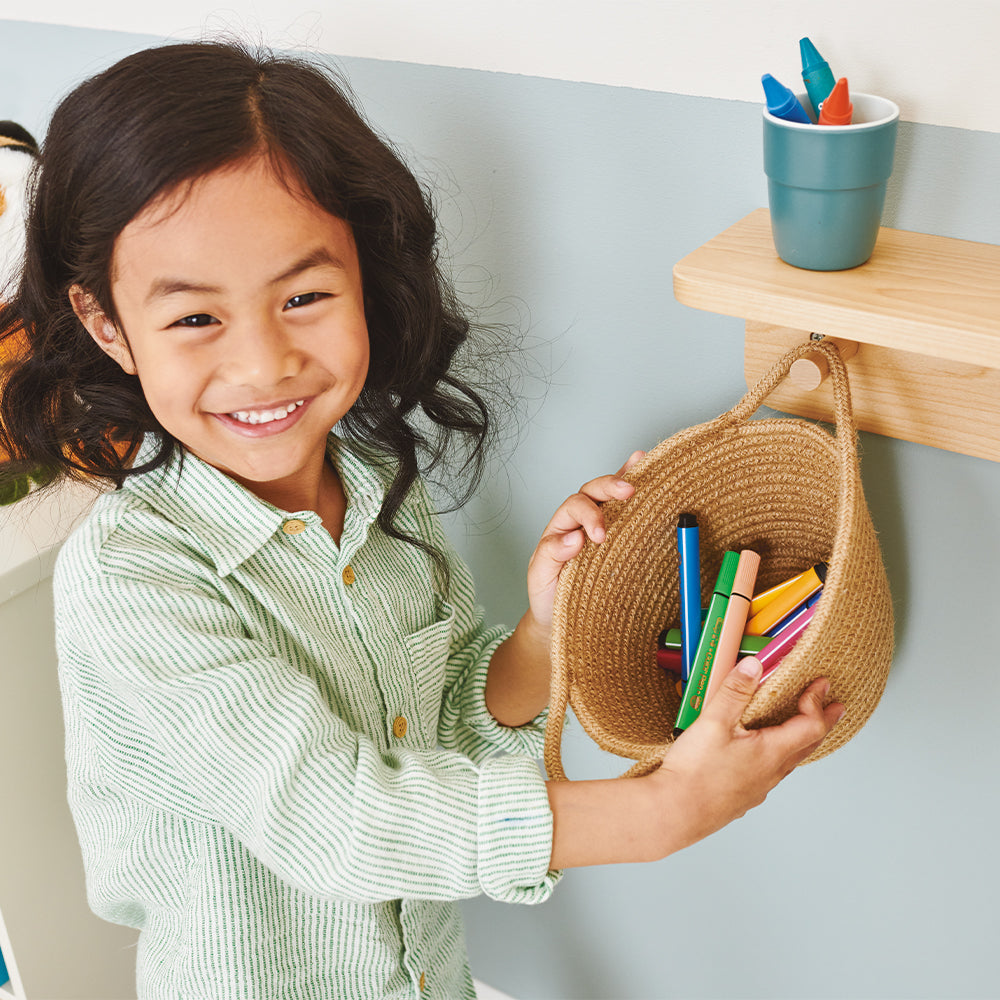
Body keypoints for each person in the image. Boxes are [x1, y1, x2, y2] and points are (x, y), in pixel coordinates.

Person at [0, 41, 843, 1000]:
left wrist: (538, 632)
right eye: (196, 319)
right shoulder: (134, 579)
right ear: (108, 324)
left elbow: (435, 727)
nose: (265, 362)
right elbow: (335, 818)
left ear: (363, 271)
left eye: (304, 297)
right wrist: (655, 813)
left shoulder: (370, 487)